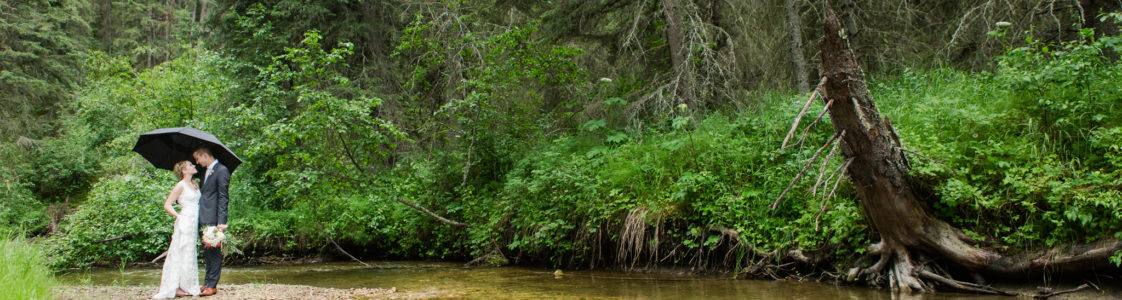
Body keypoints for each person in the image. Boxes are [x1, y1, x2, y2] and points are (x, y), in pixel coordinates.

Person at [153, 161, 202, 298]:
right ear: (184, 170)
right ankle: (176, 286)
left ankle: (186, 285)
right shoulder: (180, 185)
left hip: (194, 221)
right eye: (190, 165)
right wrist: (179, 216)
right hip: (185, 221)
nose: (194, 166)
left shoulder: (194, 184)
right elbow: (167, 205)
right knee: (181, 251)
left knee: (190, 251)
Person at [193, 146, 230, 296]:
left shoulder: (222, 170)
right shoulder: (204, 171)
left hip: (214, 218)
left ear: (205, 156)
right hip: (202, 217)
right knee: (206, 252)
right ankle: (207, 282)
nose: (196, 162)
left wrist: (222, 221)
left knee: (213, 251)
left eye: (197, 158)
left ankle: (212, 285)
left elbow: (223, 197)